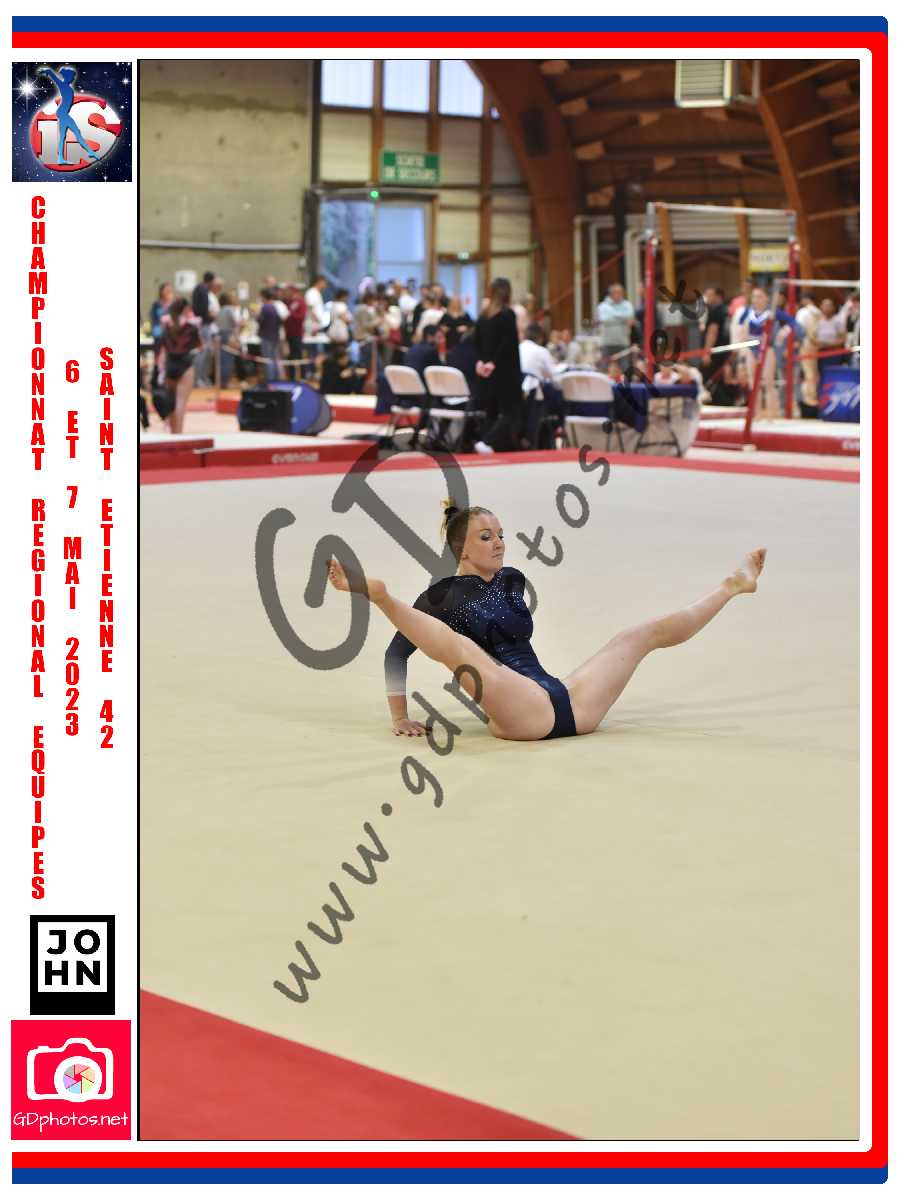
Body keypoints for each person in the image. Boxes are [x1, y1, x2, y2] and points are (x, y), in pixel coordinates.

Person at [326, 501, 767, 741]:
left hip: (569, 704)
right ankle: (379, 595)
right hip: (519, 715)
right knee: (463, 654)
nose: (499, 543)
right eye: (486, 537)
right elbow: (396, 654)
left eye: (501, 535)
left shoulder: (512, 580)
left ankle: (731, 587)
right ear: (462, 549)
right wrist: (400, 717)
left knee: (637, 635)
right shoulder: (441, 596)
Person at [472, 277, 522, 454]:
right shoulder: (507, 314)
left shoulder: (484, 315)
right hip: (504, 370)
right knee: (511, 411)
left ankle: (491, 443)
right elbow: (509, 343)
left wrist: (481, 361)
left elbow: (476, 341)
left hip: (486, 370)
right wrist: (493, 362)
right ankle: (488, 441)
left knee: (491, 410)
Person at [735, 287, 800, 419]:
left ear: (766, 298)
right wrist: (742, 339)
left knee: (768, 381)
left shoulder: (772, 311)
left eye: (760, 296)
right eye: (754, 296)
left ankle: (772, 413)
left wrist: (782, 333)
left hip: (767, 349)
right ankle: (757, 412)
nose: (756, 299)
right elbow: (740, 325)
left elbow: (792, 322)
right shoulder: (748, 311)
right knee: (753, 382)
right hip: (751, 349)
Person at [159, 299, 201, 434]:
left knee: (171, 401)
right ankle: (178, 433)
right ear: (185, 310)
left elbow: (162, 348)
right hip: (185, 364)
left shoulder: (166, 326)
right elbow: (199, 347)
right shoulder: (191, 327)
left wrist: (160, 370)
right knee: (180, 402)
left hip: (170, 364)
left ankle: (172, 431)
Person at [596, 283, 636, 366]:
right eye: (617, 292)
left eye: (621, 292)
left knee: (625, 368)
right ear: (611, 293)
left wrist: (612, 316)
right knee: (605, 368)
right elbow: (605, 319)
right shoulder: (603, 306)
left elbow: (629, 317)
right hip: (607, 343)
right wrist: (623, 319)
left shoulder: (627, 305)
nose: (619, 294)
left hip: (623, 343)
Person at [257, 287, 286, 381]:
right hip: (275, 335)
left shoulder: (265, 307)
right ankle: (276, 379)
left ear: (263, 297)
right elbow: (280, 321)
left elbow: (260, 320)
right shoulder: (274, 307)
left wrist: (257, 315)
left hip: (266, 336)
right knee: (275, 358)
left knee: (268, 359)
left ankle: (270, 380)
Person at [216, 291, 245, 387]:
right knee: (228, 360)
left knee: (223, 360)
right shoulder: (229, 309)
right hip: (228, 334)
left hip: (221, 334)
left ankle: (223, 381)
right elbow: (235, 323)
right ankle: (225, 382)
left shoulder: (220, 310)